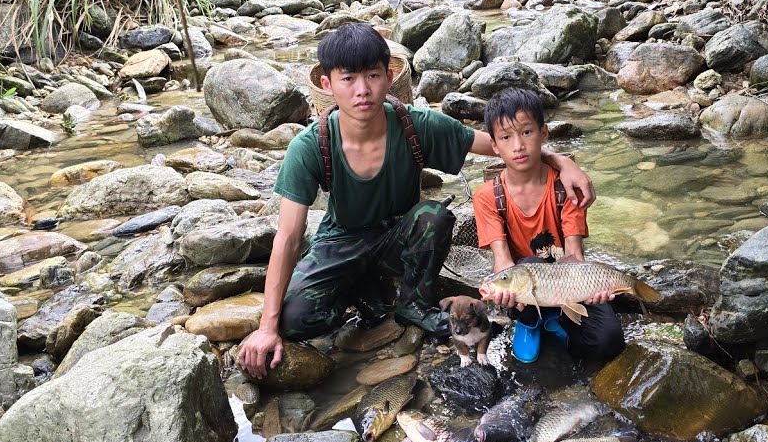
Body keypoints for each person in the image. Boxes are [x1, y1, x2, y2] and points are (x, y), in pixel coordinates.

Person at [237, 23, 594, 377]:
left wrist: (560, 161)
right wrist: (267, 327)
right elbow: (288, 237)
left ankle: (413, 304)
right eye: (348, 79)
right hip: (341, 241)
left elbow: (500, 144)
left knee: (434, 215)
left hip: (399, 237)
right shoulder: (311, 146)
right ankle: (364, 293)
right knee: (295, 320)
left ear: (389, 77)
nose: (362, 90)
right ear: (328, 85)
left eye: (372, 76)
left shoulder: (414, 125)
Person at [474, 87, 625, 364]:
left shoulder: (567, 186)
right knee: (528, 264)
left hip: (567, 280)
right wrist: (503, 292)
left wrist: (592, 290)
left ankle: (555, 322)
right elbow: (502, 261)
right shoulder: (487, 196)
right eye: (506, 137)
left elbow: (574, 254)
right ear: (495, 146)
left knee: (609, 342)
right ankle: (531, 322)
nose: (518, 145)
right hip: (522, 289)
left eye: (527, 132)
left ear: (544, 133)